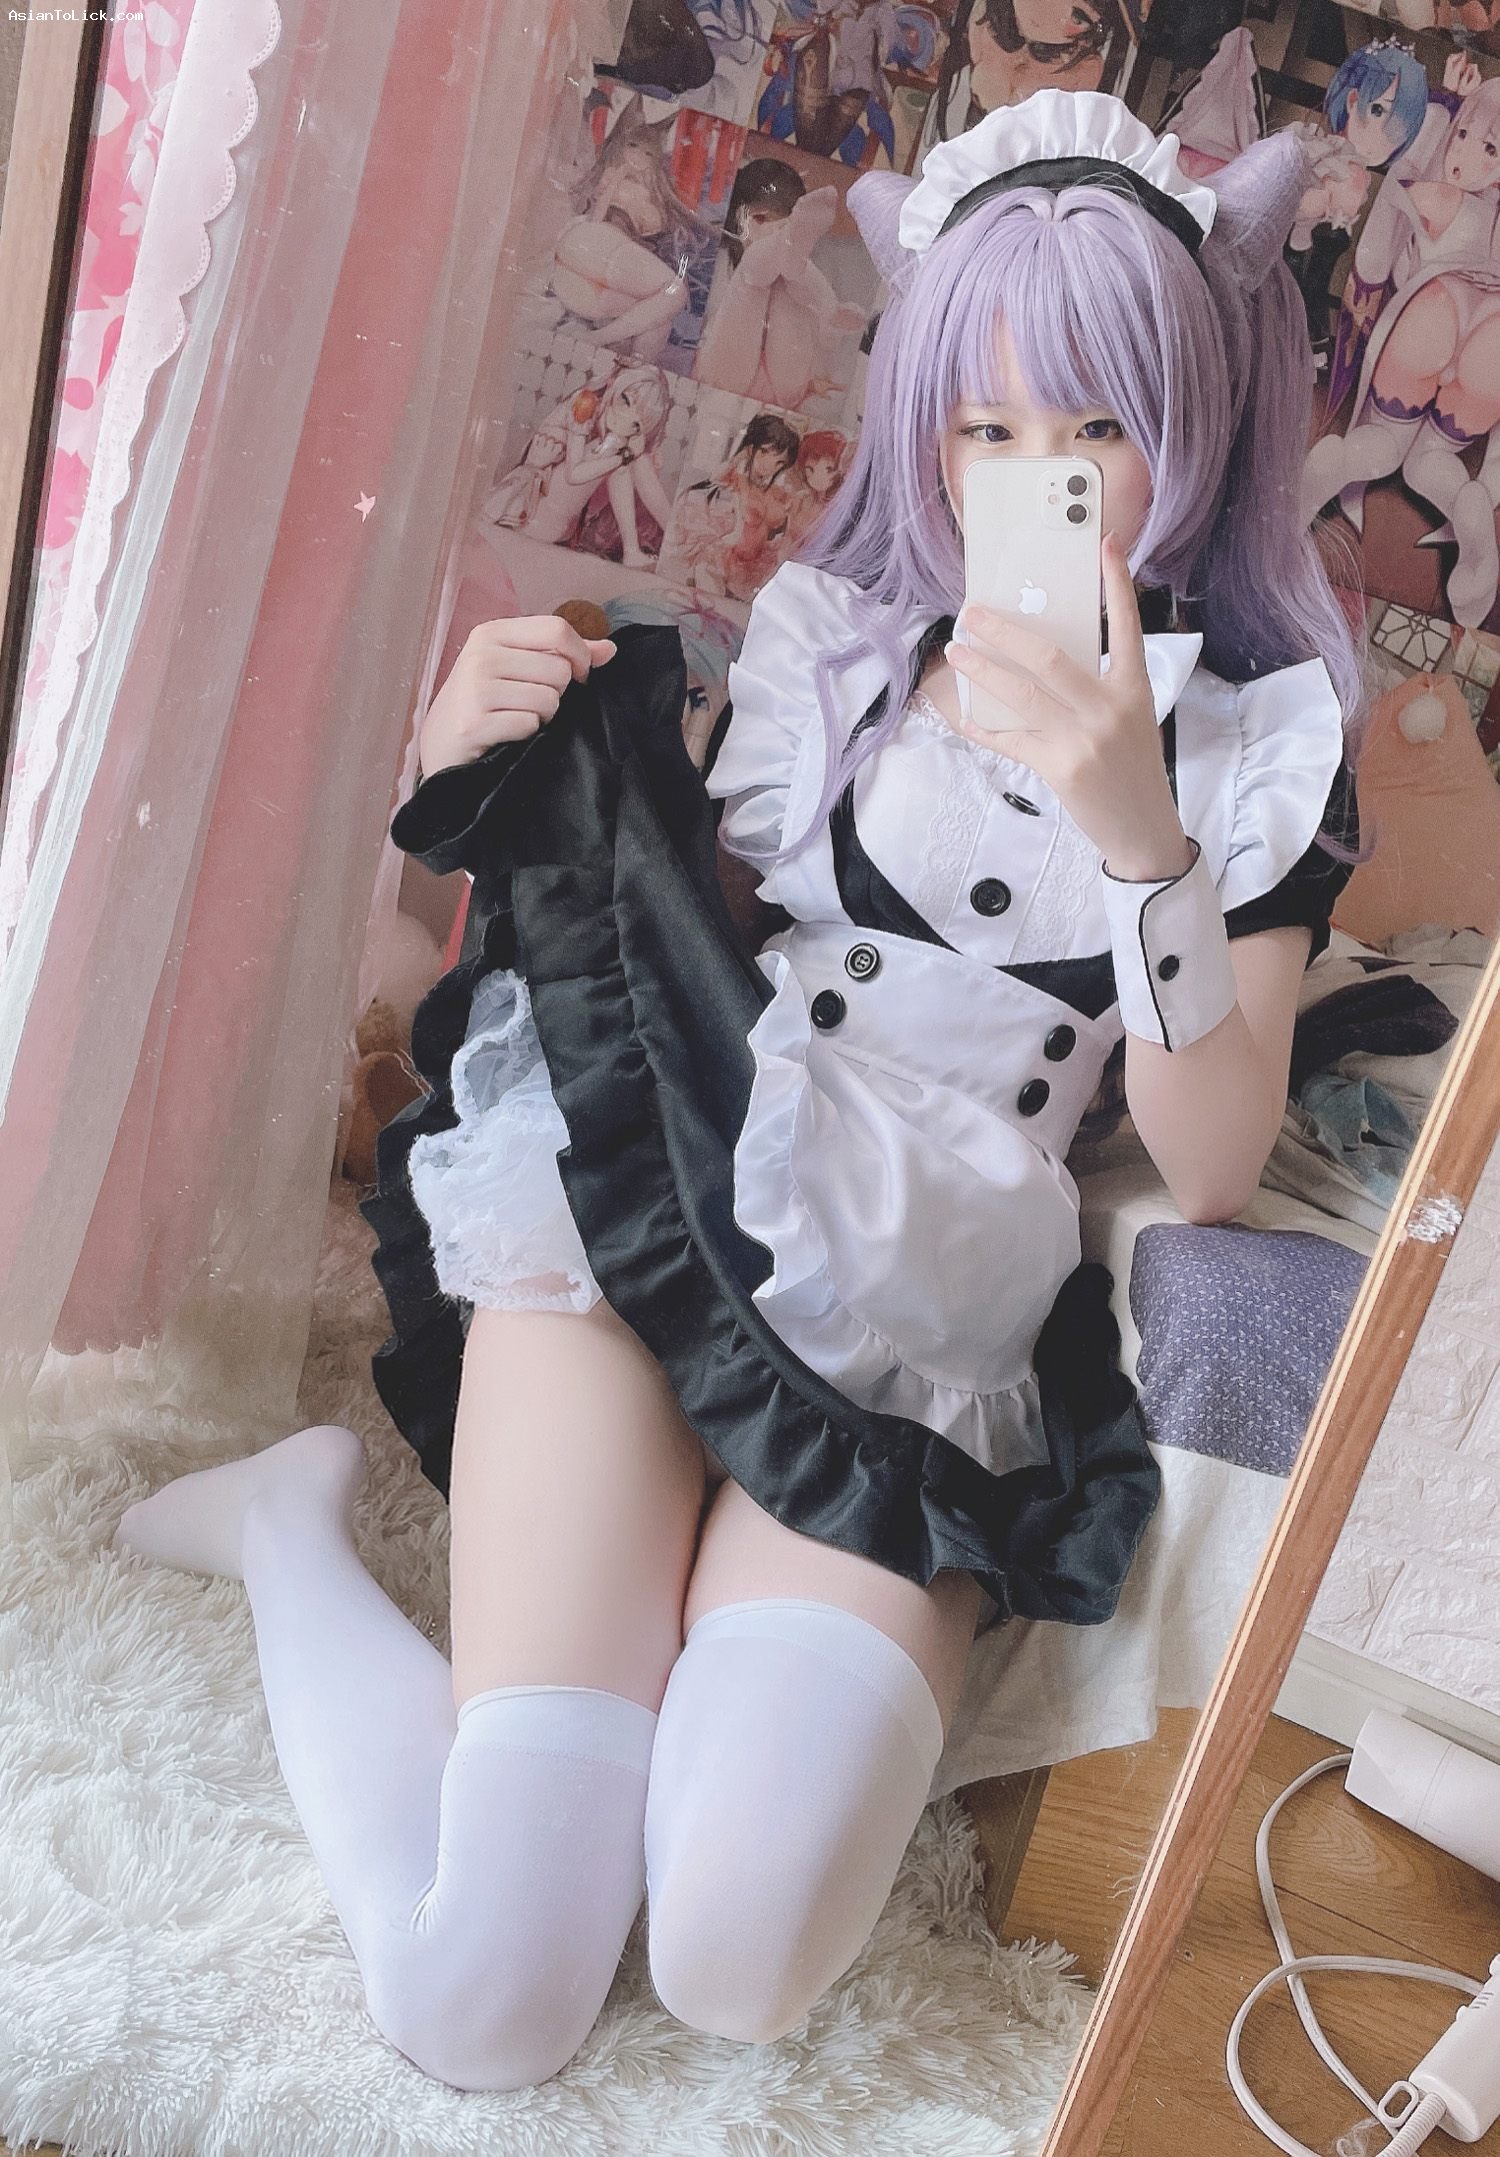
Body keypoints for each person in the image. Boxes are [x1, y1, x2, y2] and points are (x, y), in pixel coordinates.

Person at [111, 88, 1364, 2095]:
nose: (1031, 480)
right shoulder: (839, 650)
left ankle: (653, 1633)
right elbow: (665, 928)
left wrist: (1144, 839)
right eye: (983, 427)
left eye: (1094, 429)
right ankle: (290, 1528)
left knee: (734, 1950)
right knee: (485, 1991)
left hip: (922, 1316)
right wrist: (467, 751)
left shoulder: (1255, 754)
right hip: (665, 1206)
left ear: (1196, 417)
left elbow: (1210, 1166)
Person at [1303, 57, 1500, 628]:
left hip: (1431, 310)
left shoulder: (1436, 189)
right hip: (1491, 340)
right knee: (1431, 461)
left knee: (1385, 444)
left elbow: (1372, 256)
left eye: (1488, 147)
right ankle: (1467, 507)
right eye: (1463, 136)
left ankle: (1330, 470)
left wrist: (1442, 112)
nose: (1465, 155)